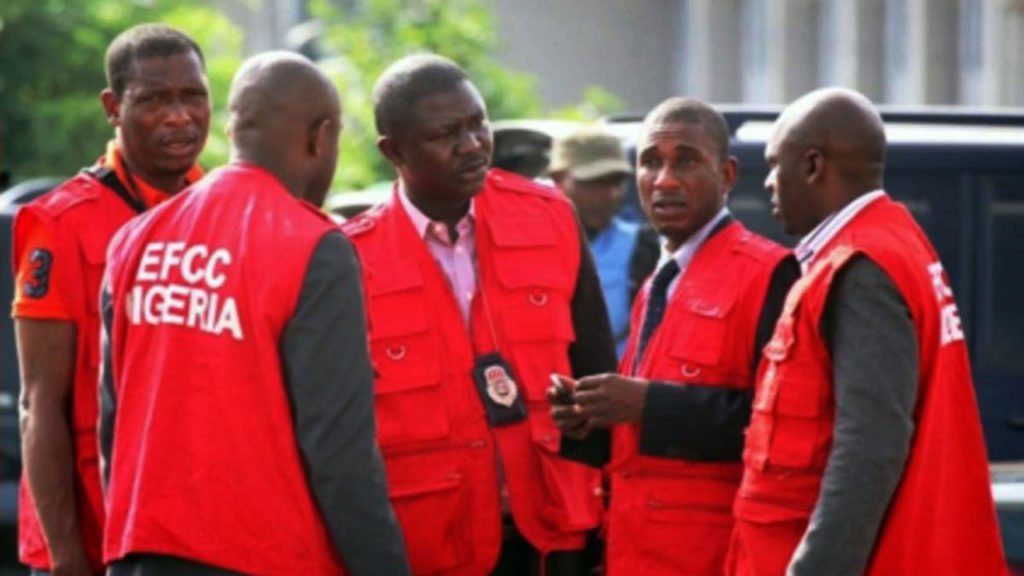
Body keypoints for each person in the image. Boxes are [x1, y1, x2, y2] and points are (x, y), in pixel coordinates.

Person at [98, 51, 410, 576]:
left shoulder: (136, 238)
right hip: (264, 556)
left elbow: (112, 420)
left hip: (140, 552)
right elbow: (339, 450)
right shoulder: (313, 245)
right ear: (319, 137)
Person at [341, 53, 618, 576]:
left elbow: (598, 375)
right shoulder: (351, 258)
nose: (472, 145)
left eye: (477, 124)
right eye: (447, 134)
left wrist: (607, 527)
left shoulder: (550, 217)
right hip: (430, 546)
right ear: (393, 150)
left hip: (553, 538)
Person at [727, 88, 1006, 575]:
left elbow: (870, 443)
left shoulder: (860, 265)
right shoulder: (893, 244)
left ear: (813, 166)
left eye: (776, 165)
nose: (769, 183)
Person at [548, 97, 798, 575]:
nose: (663, 180)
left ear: (726, 175)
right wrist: (590, 416)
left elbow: (782, 432)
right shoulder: (659, 281)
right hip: (634, 550)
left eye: (685, 161)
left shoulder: (769, 275)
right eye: (650, 163)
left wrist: (647, 404)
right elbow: (641, 433)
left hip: (713, 554)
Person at [11, 23, 209, 576]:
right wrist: (69, 556)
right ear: (112, 107)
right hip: (92, 539)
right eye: (155, 100)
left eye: (193, 96)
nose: (180, 116)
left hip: (191, 537)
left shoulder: (219, 211)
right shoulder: (59, 223)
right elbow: (39, 403)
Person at [548, 128, 659, 356]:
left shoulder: (642, 247)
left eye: (616, 182)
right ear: (558, 179)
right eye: (594, 182)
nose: (610, 194)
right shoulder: (520, 245)